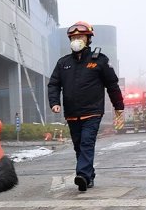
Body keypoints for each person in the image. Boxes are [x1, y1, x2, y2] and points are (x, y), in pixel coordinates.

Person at [48, 21, 124, 192]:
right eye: (73, 38)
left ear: (88, 39)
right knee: (78, 146)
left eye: (81, 37)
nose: (77, 40)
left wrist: (118, 106)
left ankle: (82, 174)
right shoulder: (63, 63)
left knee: (86, 143)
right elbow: (54, 84)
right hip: (72, 113)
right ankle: (89, 176)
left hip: (93, 112)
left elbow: (112, 84)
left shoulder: (99, 60)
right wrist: (54, 102)